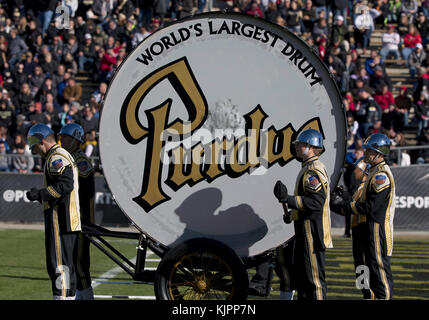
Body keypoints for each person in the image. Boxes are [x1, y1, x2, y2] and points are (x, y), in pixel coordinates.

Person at [273, 129, 332, 300]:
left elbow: (315, 203)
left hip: (311, 233)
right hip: (305, 232)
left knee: (314, 282)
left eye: (300, 144)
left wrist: (288, 199)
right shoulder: (308, 168)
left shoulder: (313, 171)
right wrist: (290, 215)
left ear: (311, 147)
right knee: (304, 281)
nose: (297, 147)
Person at [334, 133, 395, 299]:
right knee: (363, 274)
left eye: (369, 150)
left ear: (379, 153)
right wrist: (339, 201)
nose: (366, 153)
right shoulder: (373, 174)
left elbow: (371, 208)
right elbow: (356, 205)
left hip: (375, 228)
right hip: (362, 230)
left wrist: (345, 203)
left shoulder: (381, 175)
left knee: (378, 273)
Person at [25, 123, 81, 300]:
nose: (35, 151)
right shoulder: (60, 155)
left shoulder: (56, 157)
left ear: (42, 142)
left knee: (59, 266)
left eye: (35, 146)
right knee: (67, 267)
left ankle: (61, 297)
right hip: (68, 220)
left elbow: (65, 184)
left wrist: (40, 194)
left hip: (60, 219)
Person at [59, 123, 95, 300]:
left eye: (65, 137)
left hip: (82, 219)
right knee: (70, 263)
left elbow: (80, 183)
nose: (62, 140)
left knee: (80, 264)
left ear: (75, 139)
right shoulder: (68, 158)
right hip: (71, 218)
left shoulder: (81, 161)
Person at [331, 157, 375, 299]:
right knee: (360, 272)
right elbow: (348, 210)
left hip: (364, 234)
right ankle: (366, 295)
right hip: (357, 235)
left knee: (365, 269)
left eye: (358, 169)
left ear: (364, 172)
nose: (354, 171)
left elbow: (357, 208)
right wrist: (334, 202)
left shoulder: (366, 188)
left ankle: (370, 296)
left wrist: (344, 200)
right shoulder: (359, 188)